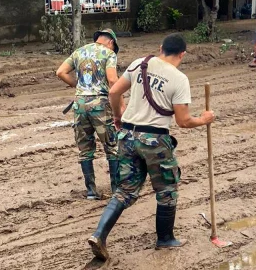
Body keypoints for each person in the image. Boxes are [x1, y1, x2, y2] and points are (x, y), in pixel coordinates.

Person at [87, 33, 215, 261]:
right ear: (182, 54)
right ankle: (165, 239)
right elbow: (183, 121)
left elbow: (115, 91)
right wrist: (204, 120)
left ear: (160, 48)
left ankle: (99, 235)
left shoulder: (140, 63)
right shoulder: (179, 79)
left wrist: (118, 117)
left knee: (125, 190)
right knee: (167, 190)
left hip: (127, 136)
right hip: (155, 140)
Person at [56, 29, 123, 200]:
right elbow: (113, 80)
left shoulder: (79, 51)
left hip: (79, 104)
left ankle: (91, 191)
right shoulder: (109, 53)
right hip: (99, 105)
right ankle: (116, 190)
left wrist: (78, 86)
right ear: (111, 42)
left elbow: (60, 72)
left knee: (85, 150)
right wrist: (119, 104)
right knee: (112, 148)